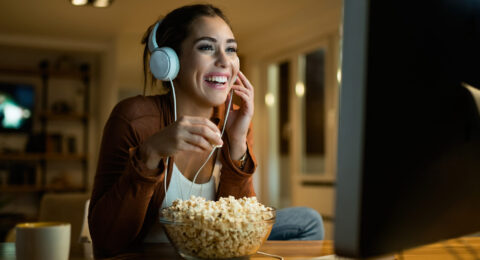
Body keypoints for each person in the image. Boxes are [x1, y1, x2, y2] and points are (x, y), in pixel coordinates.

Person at [88, 4, 324, 258]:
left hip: (216, 250)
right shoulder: (134, 118)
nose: (225, 61)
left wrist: (237, 145)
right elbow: (107, 241)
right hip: (156, 252)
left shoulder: (233, 121)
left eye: (231, 49)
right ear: (170, 61)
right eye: (206, 47)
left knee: (307, 220)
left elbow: (239, 224)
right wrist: (151, 153)